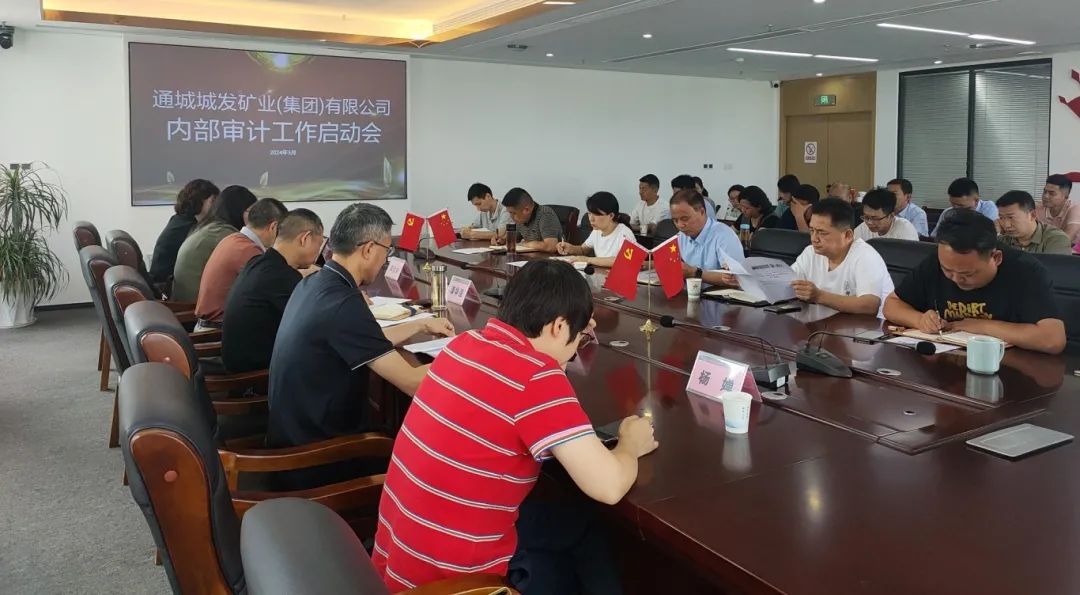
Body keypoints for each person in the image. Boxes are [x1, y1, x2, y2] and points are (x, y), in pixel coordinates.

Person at [372, 259, 658, 593]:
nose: (576, 349)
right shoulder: (536, 377)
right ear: (559, 326)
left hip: (396, 563)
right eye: (581, 337)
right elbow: (608, 486)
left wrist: (567, 341)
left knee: (567, 522)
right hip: (458, 584)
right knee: (589, 528)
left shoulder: (464, 344)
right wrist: (629, 444)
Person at [267, 203, 457, 484]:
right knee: (429, 458)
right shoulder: (342, 303)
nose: (385, 261)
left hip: (294, 435)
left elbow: (361, 338)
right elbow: (413, 383)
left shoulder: (318, 283)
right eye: (386, 251)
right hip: (317, 459)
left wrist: (420, 324)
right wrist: (469, 356)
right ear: (368, 249)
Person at [884, 209, 1065, 355]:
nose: (955, 279)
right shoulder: (938, 262)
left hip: (1006, 368)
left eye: (967, 274)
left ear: (996, 258)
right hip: (944, 363)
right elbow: (892, 304)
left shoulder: (1025, 271)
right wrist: (920, 320)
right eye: (947, 271)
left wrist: (980, 326)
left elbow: (1052, 339)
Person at [221, 209, 324, 373]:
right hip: (255, 373)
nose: (318, 253)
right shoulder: (281, 277)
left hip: (238, 359)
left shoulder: (259, 262)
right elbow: (317, 322)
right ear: (304, 238)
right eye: (318, 245)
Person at [193, 197, 288, 331]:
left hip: (211, 324)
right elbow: (274, 289)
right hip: (216, 332)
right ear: (273, 227)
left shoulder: (232, 239)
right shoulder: (248, 251)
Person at [790, 198, 893, 316]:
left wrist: (819, 296)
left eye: (822, 233)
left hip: (861, 327)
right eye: (812, 230)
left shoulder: (866, 256)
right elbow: (787, 283)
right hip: (818, 325)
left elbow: (869, 305)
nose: (814, 239)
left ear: (847, 235)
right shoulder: (810, 253)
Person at [171, 185, 257, 302]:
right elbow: (254, 271)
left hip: (185, 301)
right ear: (237, 210)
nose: (255, 217)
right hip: (193, 306)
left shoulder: (210, 227)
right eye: (251, 211)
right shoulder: (223, 234)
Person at [149, 179, 218, 285]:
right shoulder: (189, 227)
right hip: (167, 286)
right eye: (212, 201)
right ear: (199, 201)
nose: (216, 207)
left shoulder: (179, 220)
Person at [670, 189, 744, 287]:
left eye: (685, 218)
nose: (680, 225)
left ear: (701, 212)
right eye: (675, 220)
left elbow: (735, 279)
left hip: (719, 295)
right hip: (692, 292)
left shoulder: (724, 236)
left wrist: (695, 273)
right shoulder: (681, 236)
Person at [556, 191, 635, 267]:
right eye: (589, 213)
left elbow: (626, 260)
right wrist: (570, 248)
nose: (591, 219)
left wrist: (588, 260)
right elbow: (583, 250)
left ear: (611, 216)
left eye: (596, 214)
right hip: (600, 273)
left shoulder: (624, 233)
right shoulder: (597, 230)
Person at [995, 190, 1071, 255]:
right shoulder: (1002, 242)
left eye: (1011, 217)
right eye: (1001, 218)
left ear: (1032, 215)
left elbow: (1055, 268)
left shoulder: (1056, 239)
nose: (1006, 225)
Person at [493, 188, 562, 253]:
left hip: (551, 259)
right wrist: (502, 240)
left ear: (526, 210)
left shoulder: (545, 214)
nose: (511, 217)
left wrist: (526, 244)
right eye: (510, 213)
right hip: (531, 257)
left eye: (513, 213)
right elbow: (515, 240)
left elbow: (551, 246)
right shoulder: (521, 219)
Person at [930, 178, 997, 238]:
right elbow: (935, 237)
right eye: (953, 204)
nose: (956, 209)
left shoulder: (988, 208)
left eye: (961, 205)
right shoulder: (948, 213)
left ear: (976, 200)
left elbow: (987, 237)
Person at [854, 188, 919, 242]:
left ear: (891, 216)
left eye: (875, 218)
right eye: (866, 217)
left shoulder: (905, 230)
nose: (869, 222)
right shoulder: (863, 228)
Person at [1035, 174, 1080, 245]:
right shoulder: (1038, 208)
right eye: (1045, 192)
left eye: (1052, 194)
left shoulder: (1075, 209)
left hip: (1071, 248)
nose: (1045, 196)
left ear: (1066, 196)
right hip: (1046, 246)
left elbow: (1066, 239)